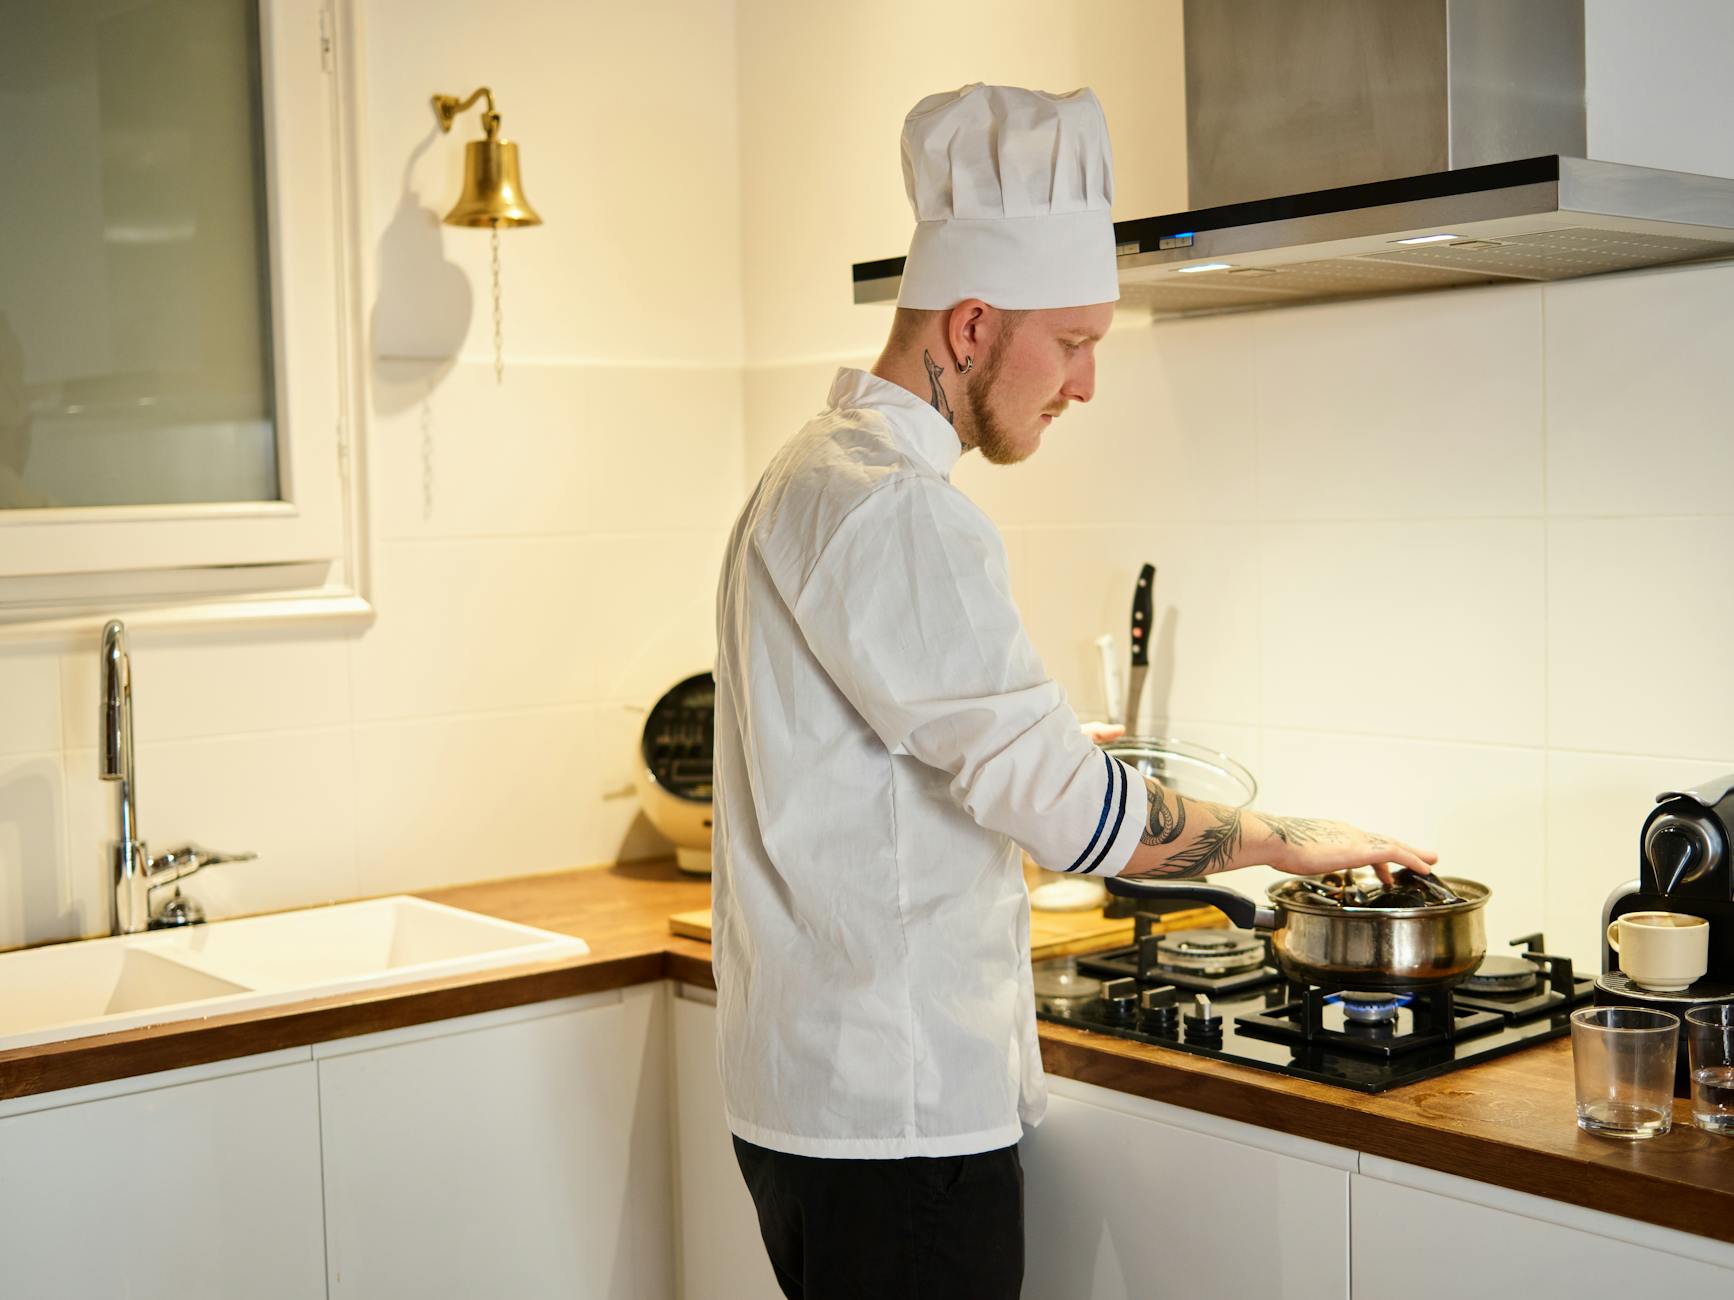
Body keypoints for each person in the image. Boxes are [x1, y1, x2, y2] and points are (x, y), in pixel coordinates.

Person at [711, 83, 1437, 1300]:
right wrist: (1287, 840)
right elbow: (1072, 816)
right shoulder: (898, 509)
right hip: (899, 1123)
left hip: (824, 1105)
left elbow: (897, 762)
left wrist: (1048, 760)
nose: (1087, 384)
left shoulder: (812, 476)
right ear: (972, 324)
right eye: (1076, 342)